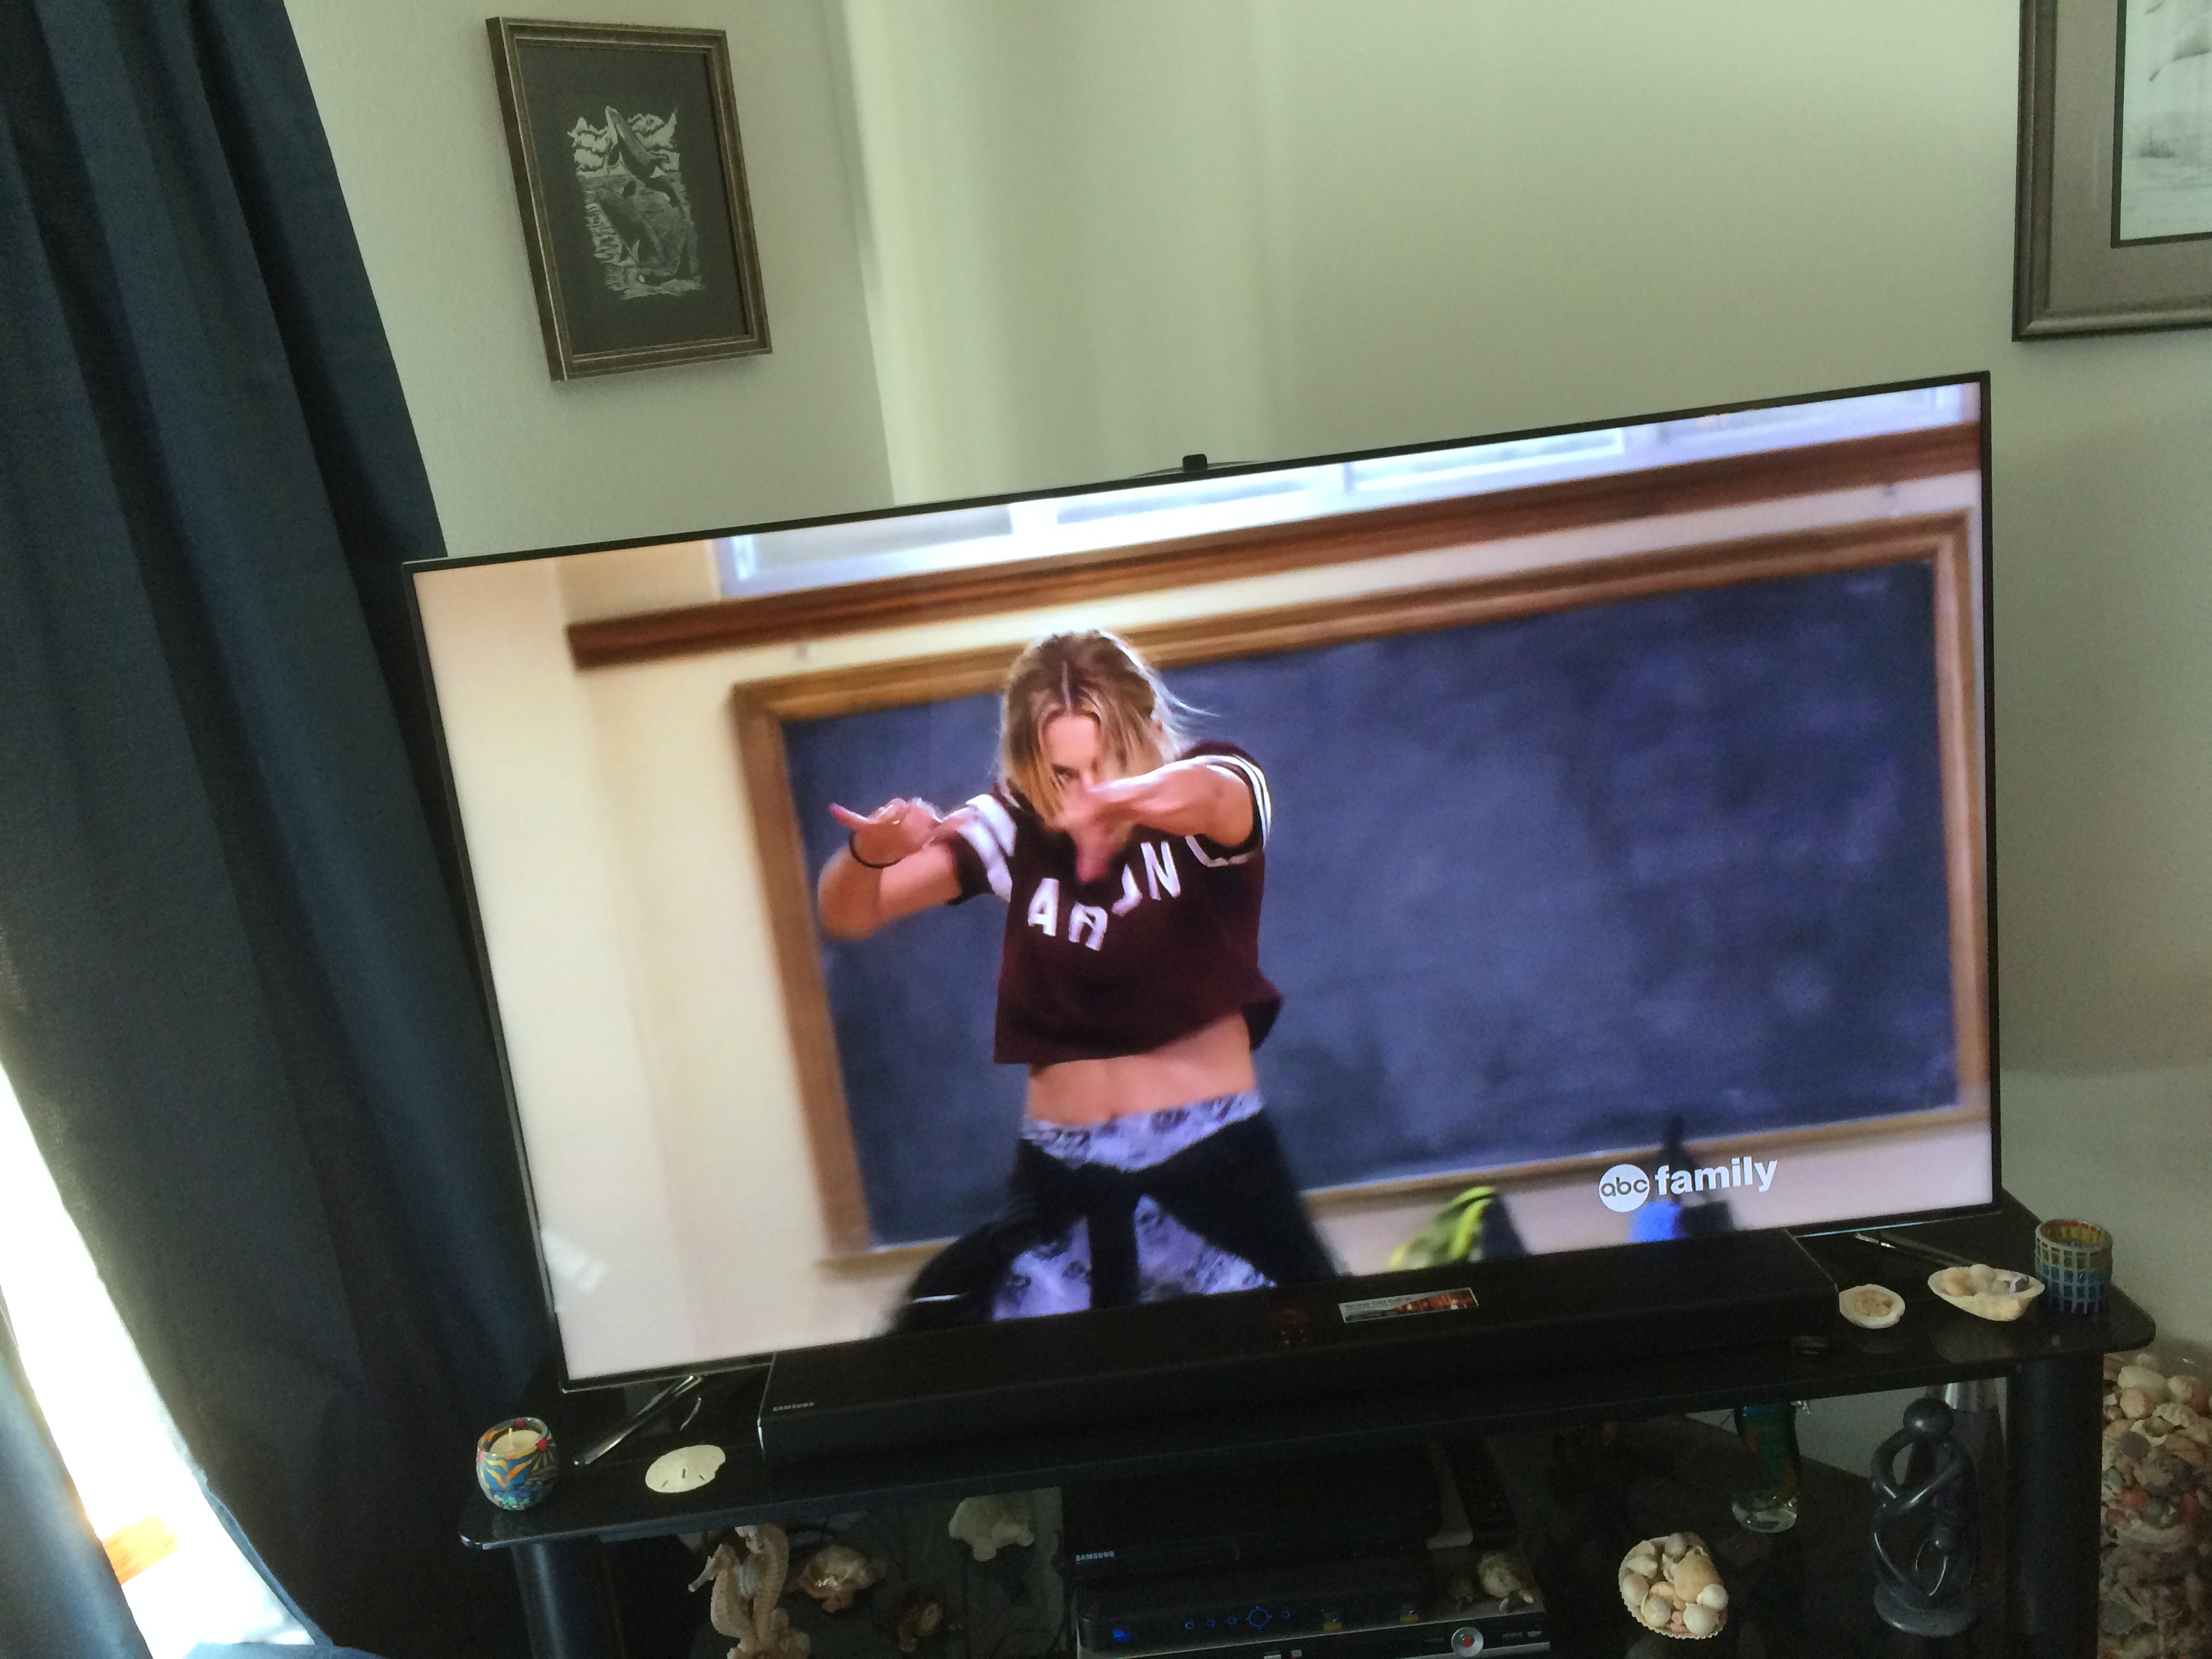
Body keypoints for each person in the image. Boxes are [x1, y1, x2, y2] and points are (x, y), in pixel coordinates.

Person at [816, 630, 1337, 1324]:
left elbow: (1215, 796)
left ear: (1150, 733)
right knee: (939, 1344)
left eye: (1106, 760)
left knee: (1311, 1360)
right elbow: (851, 915)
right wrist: (868, 854)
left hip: (1217, 1165)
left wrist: (1120, 801)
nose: (1085, 789)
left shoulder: (1208, 789)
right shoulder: (1015, 825)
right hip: (1065, 1181)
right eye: (1063, 774)